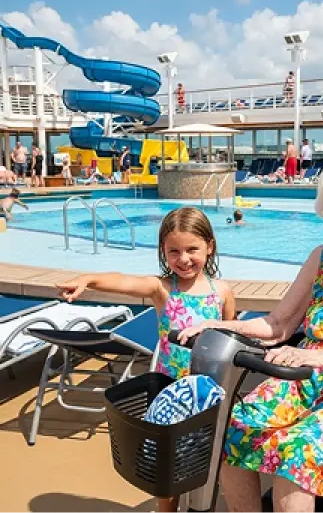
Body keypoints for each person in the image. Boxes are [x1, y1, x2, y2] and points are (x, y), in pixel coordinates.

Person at [178, 159, 323, 513]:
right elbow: (278, 324)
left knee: (296, 449)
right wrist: (218, 325)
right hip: (309, 379)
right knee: (232, 425)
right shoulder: (321, 257)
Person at [54, 206, 237, 513]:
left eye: (192, 249)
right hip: (169, 391)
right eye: (173, 251)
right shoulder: (162, 288)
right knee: (167, 467)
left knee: (202, 459)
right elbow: (123, 281)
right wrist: (88, 279)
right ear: (163, 251)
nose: (183, 259)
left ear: (210, 246)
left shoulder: (222, 291)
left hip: (206, 392)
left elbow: (230, 336)